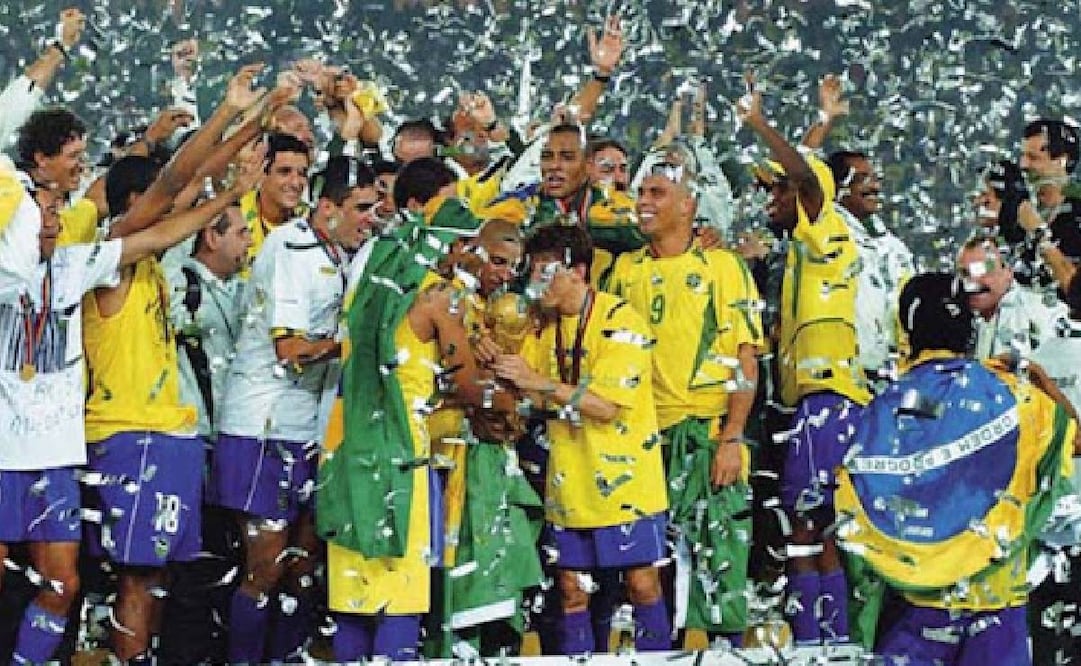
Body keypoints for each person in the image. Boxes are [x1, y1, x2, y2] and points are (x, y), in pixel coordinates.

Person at [80, 67, 277, 663]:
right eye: (158, 203)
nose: (174, 209)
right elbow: (175, 183)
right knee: (137, 581)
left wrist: (240, 162)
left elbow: (184, 194)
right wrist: (228, 116)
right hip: (129, 434)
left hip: (171, 435)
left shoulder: (157, 267)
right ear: (132, 207)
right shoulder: (106, 258)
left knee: (160, 580)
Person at [835, 272, 1076, 666]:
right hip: (999, 615)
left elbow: (856, 511)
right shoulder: (1021, 399)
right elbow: (1072, 438)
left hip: (913, 617)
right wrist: (1037, 377)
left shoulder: (880, 411)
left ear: (907, 332)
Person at [213, 157, 378, 665]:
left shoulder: (346, 253)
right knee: (266, 566)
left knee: (302, 565)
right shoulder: (290, 247)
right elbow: (292, 350)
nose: (370, 219)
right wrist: (358, 347)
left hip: (310, 427)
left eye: (375, 209)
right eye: (361, 209)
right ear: (327, 208)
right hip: (262, 424)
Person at [317, 177, 485, 661]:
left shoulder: (366, 295)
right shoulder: (439, 301)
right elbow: (471, 386)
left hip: (346, 458)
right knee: (399, 600)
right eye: (465, 248)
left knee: (351, 600)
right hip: (400, 465)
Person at [492, 224, 671, 654]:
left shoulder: (620, 319)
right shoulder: (543, 328)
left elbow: (607, 406)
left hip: (626, 484)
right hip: (569, 482)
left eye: (546, 272)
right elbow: (527, 390)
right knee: (573, 589)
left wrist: (537, 381)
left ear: (579, 271)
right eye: (532, 273)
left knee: (641, 583)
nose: (537, 284)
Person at [738, 80, 870, 645]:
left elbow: (807, 177)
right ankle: (821, 636)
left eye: (777, 194)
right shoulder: (799, 243)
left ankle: (822, 639)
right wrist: (821, 121)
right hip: (809, 403)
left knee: (809, 523)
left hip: (827, 399)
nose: (770, 202)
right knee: (811, 524)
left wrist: (761, 124)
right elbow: (802, 174)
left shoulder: (826, 229)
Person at [608, 164, 762, 643]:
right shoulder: (625, 270)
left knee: (720, 561)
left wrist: (732, 436)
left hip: (707, 431)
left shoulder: (722, 266)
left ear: (688, 205)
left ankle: (722, 653)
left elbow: (745, 358)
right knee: (646, 566)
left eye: (658, 192)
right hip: (642, 440)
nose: (644, 201)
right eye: (640, 193)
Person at [157, 205, 251, 665]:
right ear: (209, 238)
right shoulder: (181, 282)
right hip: (189, 441)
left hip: (224, 443)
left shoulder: (239, 290)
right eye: (239, 231)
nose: (249, 240)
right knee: (191, 564)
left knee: (221, 561)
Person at [955, 235, 1064, 360]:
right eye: (965, 274)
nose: (972, 281)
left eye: (983, 270)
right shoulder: (967, 322)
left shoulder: (1039, 312)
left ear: (1007, 272)